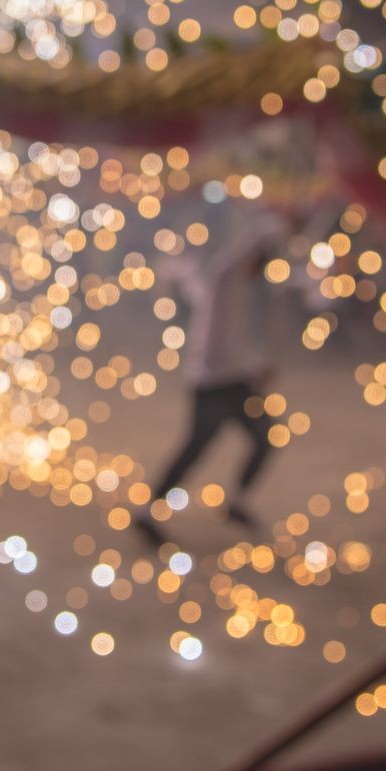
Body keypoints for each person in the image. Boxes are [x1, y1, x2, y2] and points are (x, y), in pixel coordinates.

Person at [137, 212, 289, 538]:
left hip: (235, 381)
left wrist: (254, 365)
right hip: (214, 384)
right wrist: (280, 224)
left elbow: (234, 340)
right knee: (196, 448)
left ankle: (237, 501)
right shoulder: (226, 278)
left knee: (264, 438)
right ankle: (148, 511)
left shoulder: (242, 287)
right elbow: (220, 343)